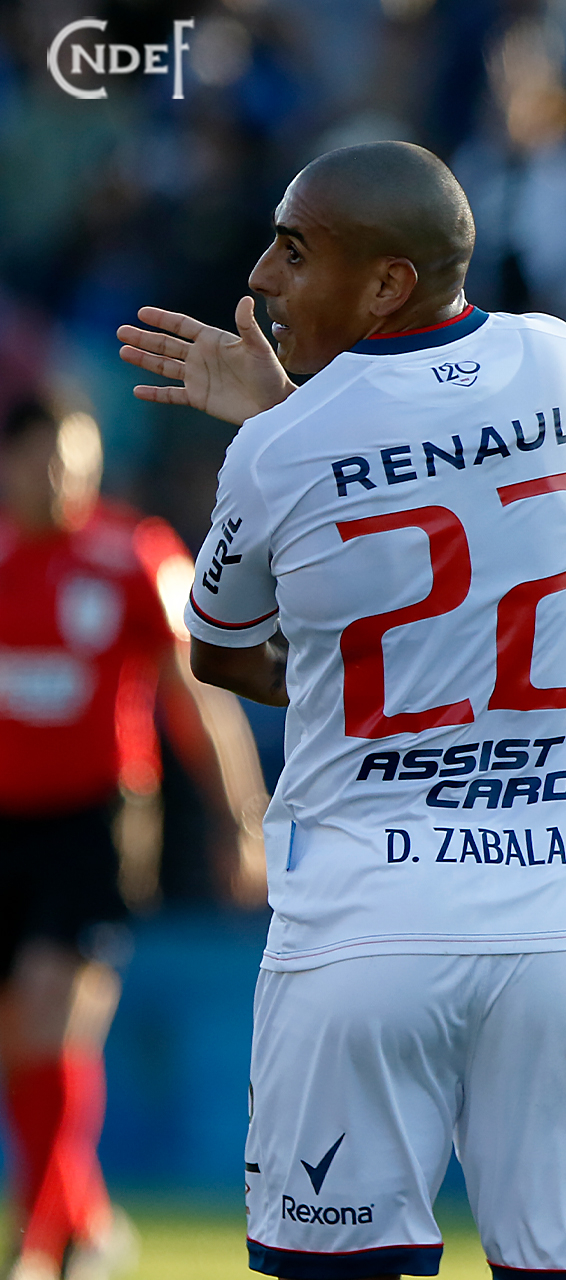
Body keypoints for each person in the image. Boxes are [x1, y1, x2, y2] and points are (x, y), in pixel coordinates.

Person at [114, 141, 566, 1279]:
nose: (262, 276)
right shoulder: (563, 361)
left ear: (385, 284)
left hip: (365, 928)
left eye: (295, 251)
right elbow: (436, 470)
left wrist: (275, 420)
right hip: (564, 934)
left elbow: (221, 650)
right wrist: (293, 412)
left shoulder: (277, 449)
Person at [1, 399, 268, 1280]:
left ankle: (37, 1247)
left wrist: (238, 819)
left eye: (71, 460)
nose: (57, 478)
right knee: (21, 1042)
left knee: (51, 1019)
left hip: (98, 821)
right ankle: (85, 1221)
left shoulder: (132, 556)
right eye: (40, 460)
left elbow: (197, 696)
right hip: (7, 824)